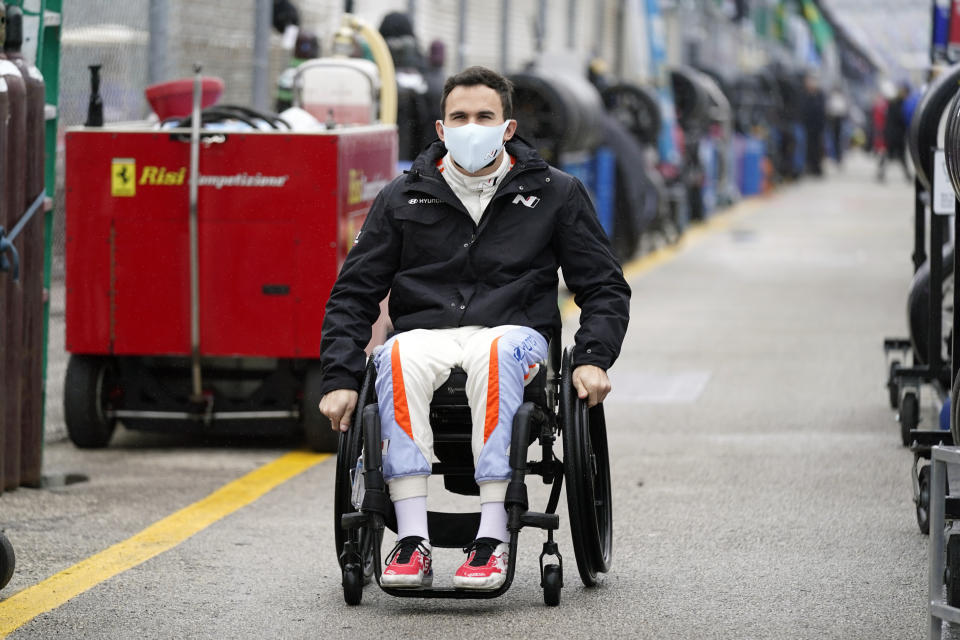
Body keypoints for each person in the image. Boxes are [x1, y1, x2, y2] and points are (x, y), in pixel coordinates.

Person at [318, 66, 630, 591]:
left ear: (508, 127)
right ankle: (411, 539)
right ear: (440, 128)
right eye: (459, 117)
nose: (471, 126)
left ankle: (492, 538)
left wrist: (595, 356)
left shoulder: (556, 192)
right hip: (428, 335)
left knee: (495, 350)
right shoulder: (403, 196)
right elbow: (353, 292)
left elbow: (603, 285)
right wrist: (339, 378)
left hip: (516, 334)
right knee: (392, 356)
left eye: (484, 116)